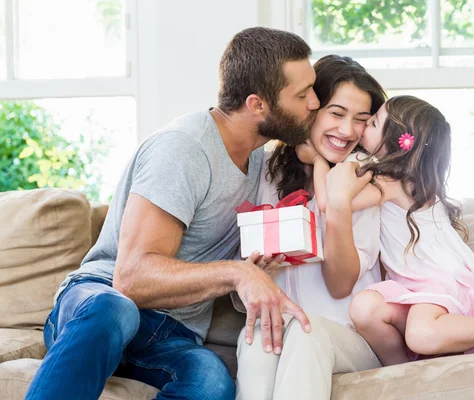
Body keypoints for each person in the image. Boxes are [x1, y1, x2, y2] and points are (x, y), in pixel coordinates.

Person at [25, 27, 319, 400]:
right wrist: (235, 272)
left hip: (171, 333)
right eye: (302, 94)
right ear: (257, 104)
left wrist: (251, 273)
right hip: (100, 303)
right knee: (116, 310)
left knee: (212, 382)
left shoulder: (258, 163)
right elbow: (130, 279)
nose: (313, 103)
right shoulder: (184, 149)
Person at [311, 94, 474, 366]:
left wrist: (318, 159)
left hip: (437, 279)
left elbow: (330, 202)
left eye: (373, 123)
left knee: (421, 335)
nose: (363, 129)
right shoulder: (403, 179)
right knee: (364, 309)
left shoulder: (390, 182)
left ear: (393, 143)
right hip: (414, 285)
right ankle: (405, 372)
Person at [235, 55, 387, 400]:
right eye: (336, 114)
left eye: (361, 120)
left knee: (307, 330)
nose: (348, 131)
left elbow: (339, 284)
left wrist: (325, 174)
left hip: (349, 337)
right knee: (259, 336)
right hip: (283, 325)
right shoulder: (268, 171)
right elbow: (243, 286)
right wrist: (253, 272)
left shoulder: (363, 176)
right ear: (311, 109)